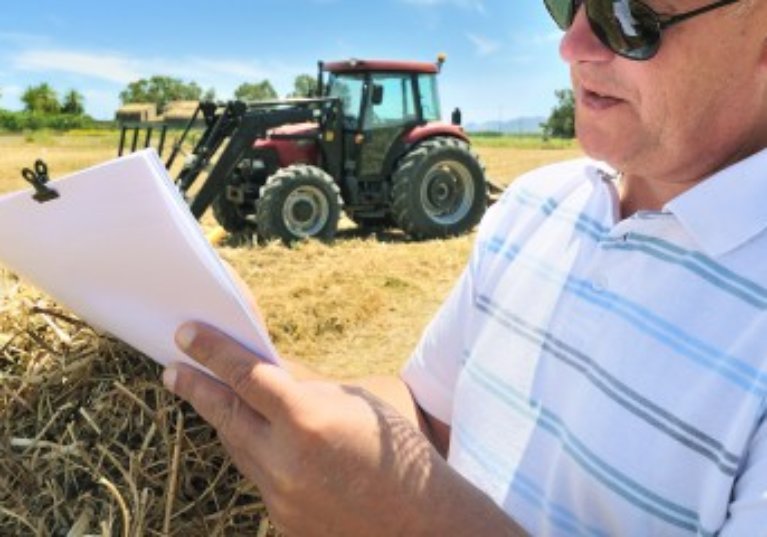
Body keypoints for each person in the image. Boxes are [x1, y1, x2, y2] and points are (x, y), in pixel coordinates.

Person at [161, 1, 767, 534]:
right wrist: (259, 368)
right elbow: (428, 414)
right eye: (567, 3)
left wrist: (411, 522)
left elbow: (409, 500)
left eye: (629, 17)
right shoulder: (535, 207)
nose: (572, 45)